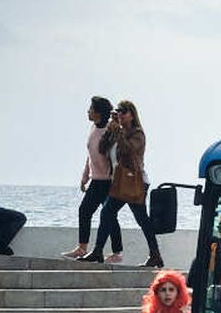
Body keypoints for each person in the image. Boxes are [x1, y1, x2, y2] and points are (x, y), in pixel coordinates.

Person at [87, 99, 163, 268]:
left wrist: (119, 132)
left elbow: (129, 150)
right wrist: (110, 130)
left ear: (131, 115)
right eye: (118, 111)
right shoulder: (116, 131)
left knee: (141, 219)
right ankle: (98, 251)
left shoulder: (138, 134)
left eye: (123, 111)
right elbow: (102, 149)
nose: (119, 114)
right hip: (120, 182)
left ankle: (155, 255)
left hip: (135, 182)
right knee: (107, 212)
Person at [66, 97, 116, 259]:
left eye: (91, 108)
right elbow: (90, 155)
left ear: (98, 112)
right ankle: (82, 248)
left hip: (109, 181)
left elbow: (116, 156)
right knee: (86, 211)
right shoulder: (93, 128)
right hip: (96, 180)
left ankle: (116, 252)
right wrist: (84, 176)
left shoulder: (110, 129)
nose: (88, 111)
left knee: (108, 215)